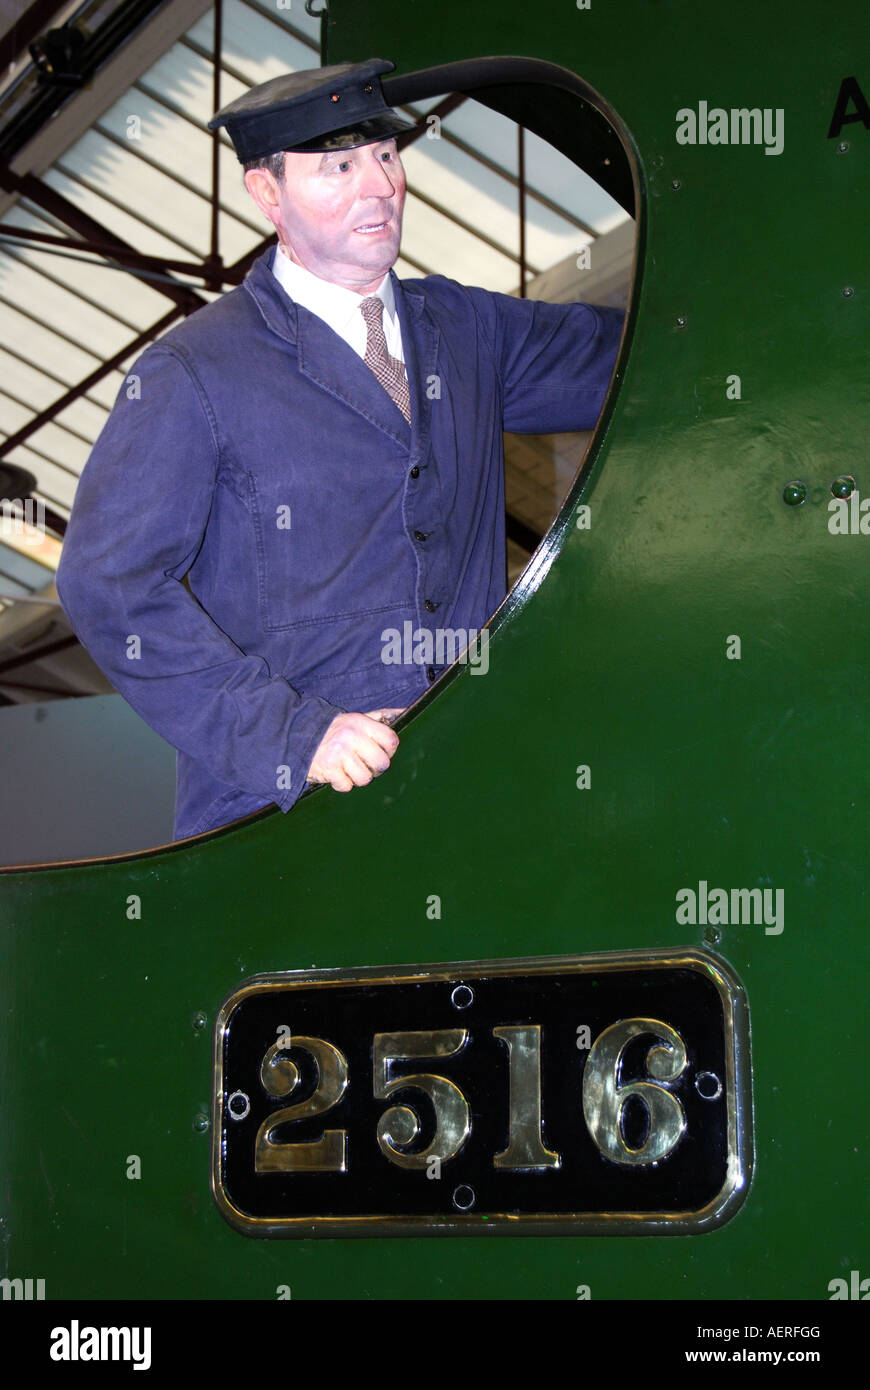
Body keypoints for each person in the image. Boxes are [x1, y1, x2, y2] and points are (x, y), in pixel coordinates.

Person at [56, 58, 623, 841]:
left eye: (386, 157)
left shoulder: (468, 330)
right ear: (267, 194)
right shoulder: (194, 371)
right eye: (339, 167)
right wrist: (292, 736)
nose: (379, 187)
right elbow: (109, 585)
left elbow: (640, 354)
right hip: (280, 821)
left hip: (472, 786)